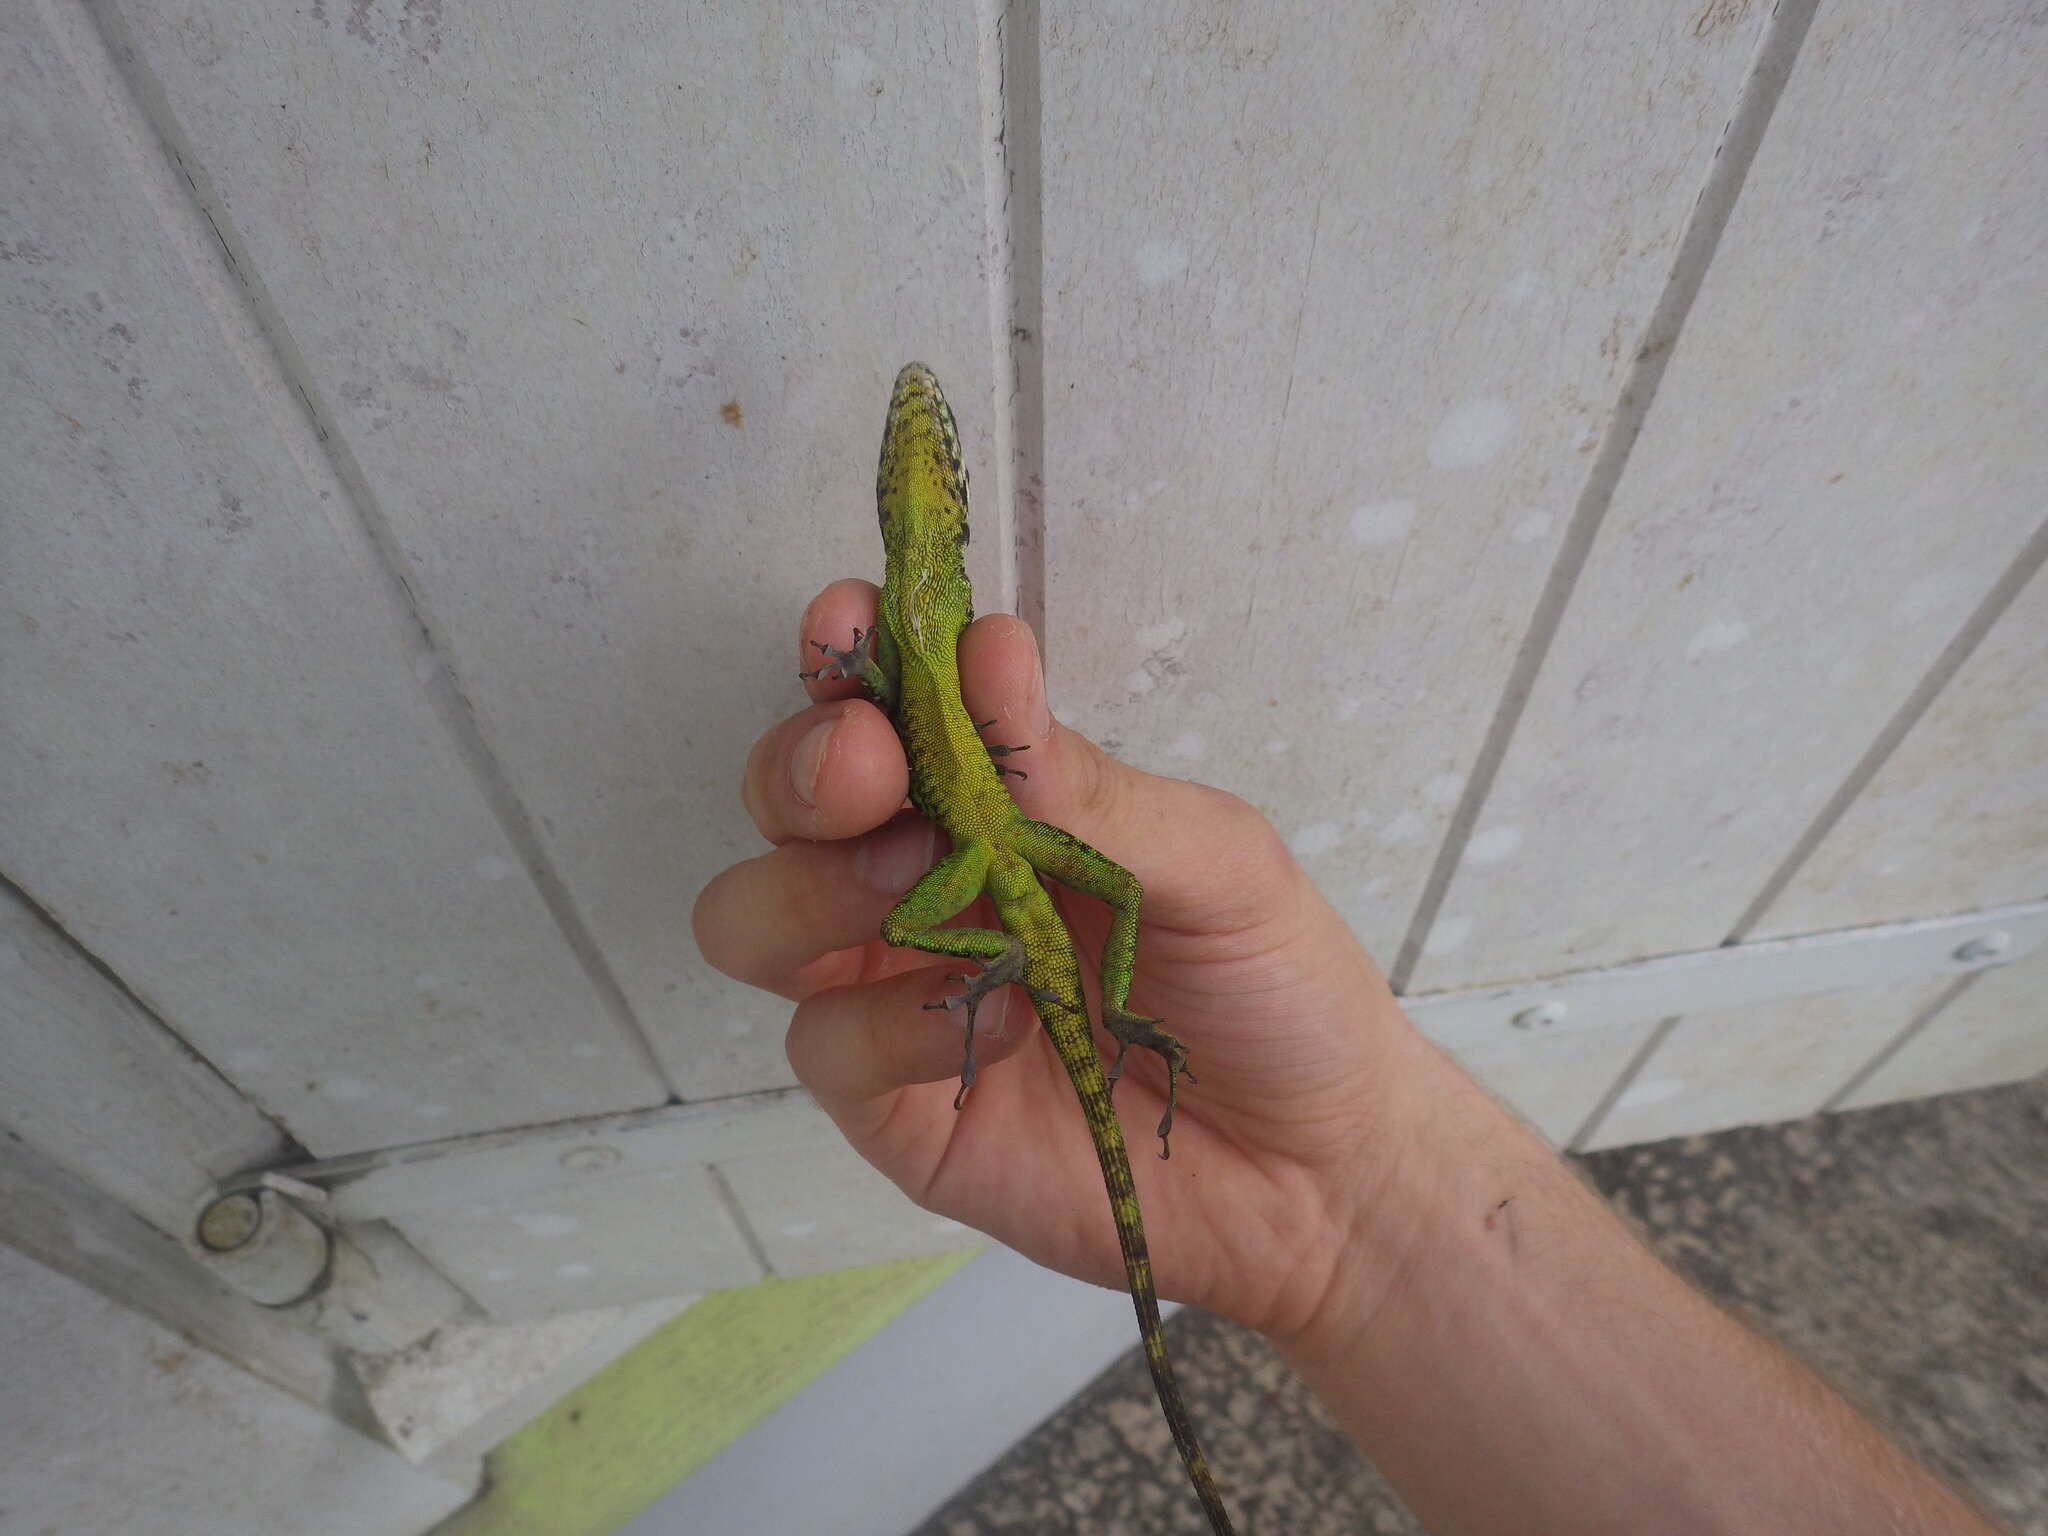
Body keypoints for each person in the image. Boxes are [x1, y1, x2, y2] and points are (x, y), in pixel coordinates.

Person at [693, 579, 1997, 1535]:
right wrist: (1349, 1204)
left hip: (1004, 882)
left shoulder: (934, 631)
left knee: (1002, 891)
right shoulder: (938, 616)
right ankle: (1074, 994)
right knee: (1024, 890)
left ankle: (1047, 986)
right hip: (1008, 879)